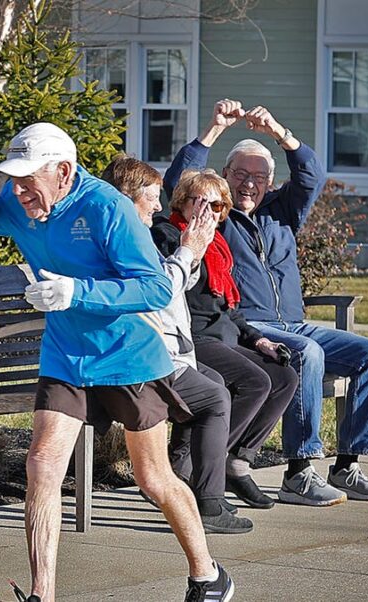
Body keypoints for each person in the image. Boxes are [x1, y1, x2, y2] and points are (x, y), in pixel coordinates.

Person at [0, 123, 234, 602]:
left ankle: (208, 574)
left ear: (63, 172)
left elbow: (154, 287)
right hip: (66, 354)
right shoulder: (24, 202)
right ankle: (42, 594)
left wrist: (75, 291)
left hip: (127, 356)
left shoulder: (107, 208)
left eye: (28, 180)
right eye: (14, 180)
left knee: (153, 479)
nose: (19, 191)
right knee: (42, 464)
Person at [165, 100, 368, 506]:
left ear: (271, 182)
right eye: (240, 174)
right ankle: (299, 472)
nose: (249, 184)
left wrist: (277, 131)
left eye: (259, 177)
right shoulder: (218, 214)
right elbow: (180, 183)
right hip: (251, 325)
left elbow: (312, 173)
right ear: (226, 176)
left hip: (295, 322)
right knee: (306, 353)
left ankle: (348, 463)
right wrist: (214, 129)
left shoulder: (284, 211)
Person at [101, 156, 253, 534]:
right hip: (138, 357)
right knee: (216, 398)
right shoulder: (125, 239)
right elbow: (157, 295)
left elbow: (172, 285)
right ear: (126, 198)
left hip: (159, 350)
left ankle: (182, 482)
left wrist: (193, 251)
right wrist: (188, 249)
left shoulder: (131, 233)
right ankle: (208, 503)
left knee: (215, 385)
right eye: (151, 197)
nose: (157, 204)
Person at [152, 169, 298, 510]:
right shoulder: (169, 235)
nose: (209, 212)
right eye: (200, 203)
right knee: (255, 382)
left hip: (224, 337)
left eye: (217, 206)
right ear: (182, 203)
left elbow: (229, 309)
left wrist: (258, 339)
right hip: (194, 339)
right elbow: (174, 289)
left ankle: (235, 461)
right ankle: (193, 468)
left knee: (284, 377)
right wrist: (193, 249)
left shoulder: (218, 245)